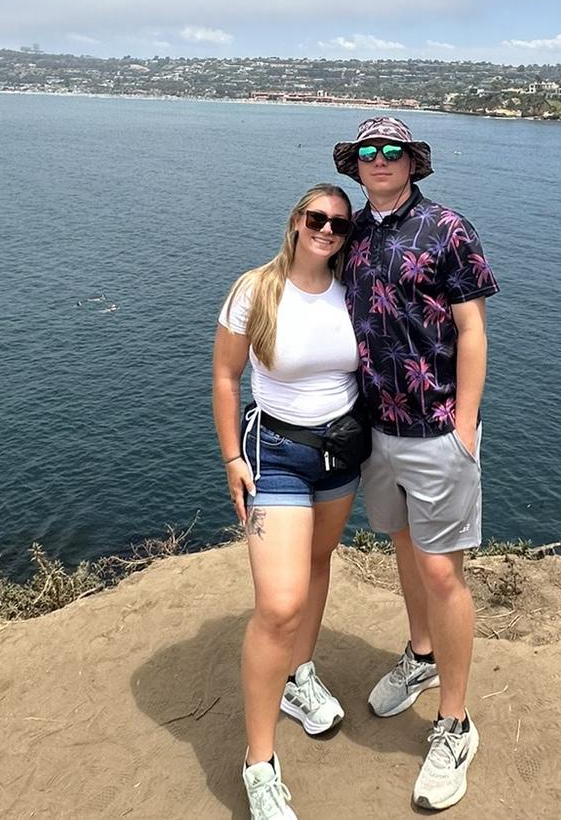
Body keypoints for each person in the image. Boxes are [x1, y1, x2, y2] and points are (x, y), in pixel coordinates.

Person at [332, 115, 498, 813]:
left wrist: (463, 429)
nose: (377, 160)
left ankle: (455, 725)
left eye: (389, 151)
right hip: (376, 428)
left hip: (435, 431)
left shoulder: (448, 228)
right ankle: (421, 657)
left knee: (441, 570)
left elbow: (472, 331)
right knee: (404, 551)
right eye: (366, 151)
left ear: (411, 161)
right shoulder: (352, 233)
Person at [212, 184, 366, 820]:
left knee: (319, 562)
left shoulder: (354, 290)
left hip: (341, 454)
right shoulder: (258, 288)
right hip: (274, 452)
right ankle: (259, 763)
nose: (327, 229)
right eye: (317, 218)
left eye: (339, 224)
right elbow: (225, 375)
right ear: (297, 222)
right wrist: (231, 459)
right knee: (278, 604)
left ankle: (299, 678)